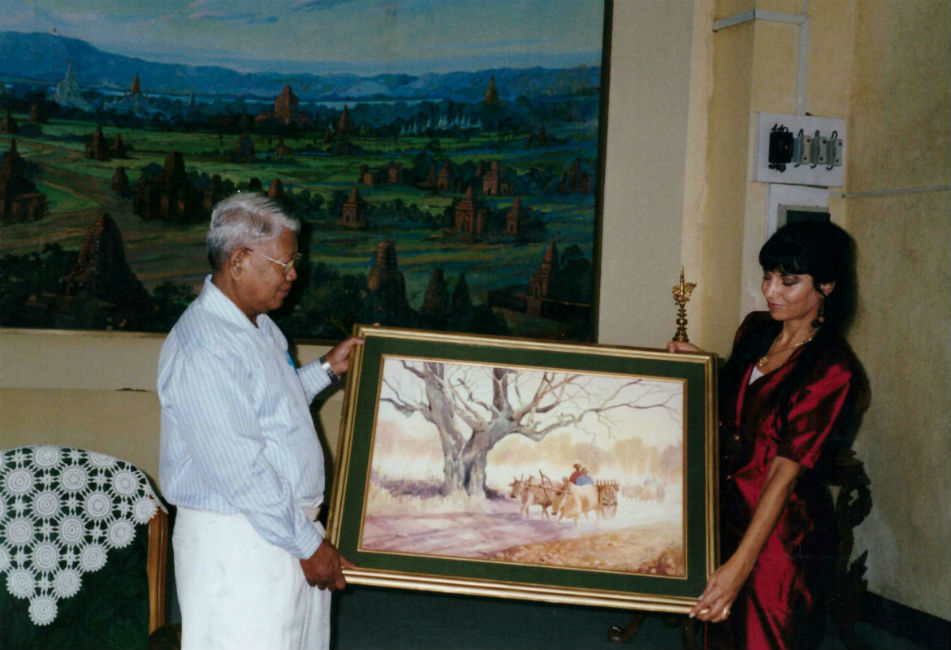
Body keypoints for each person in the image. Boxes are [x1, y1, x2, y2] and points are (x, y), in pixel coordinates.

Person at [158, 193, 363, 650]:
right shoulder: (205, 347)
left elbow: (271, 410)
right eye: (284, 263)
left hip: (278, 531)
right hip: (239, 543)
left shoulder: (258, 326)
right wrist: (308, 546)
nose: (293, 275)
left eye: (294, 262)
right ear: (238, 261)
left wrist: (328, 369)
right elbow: (240, 470)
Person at [667, 220, 868, 650]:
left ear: (826, 286)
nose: (770, 291)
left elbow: (783, 474)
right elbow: (743, 399)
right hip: (728, 517)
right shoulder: (756, 329)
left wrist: (738, 568)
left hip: (781, 542)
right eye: (768, 276)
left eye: (788, 281)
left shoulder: (833, 369)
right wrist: (700, 364)